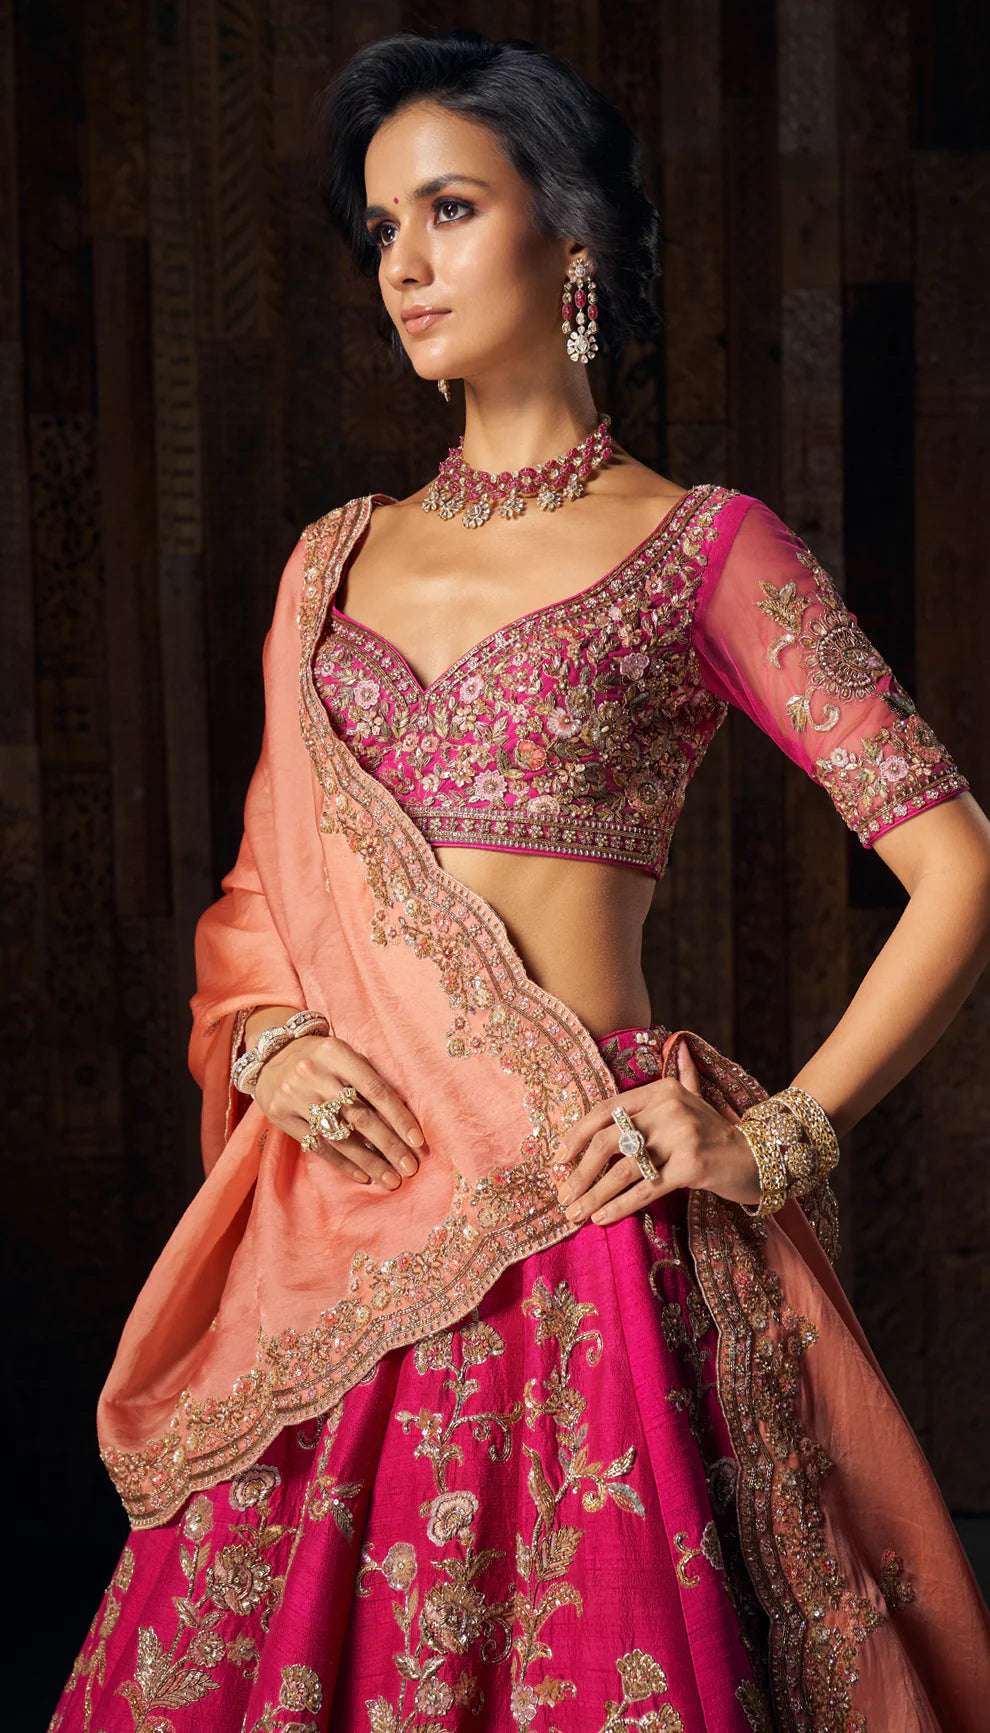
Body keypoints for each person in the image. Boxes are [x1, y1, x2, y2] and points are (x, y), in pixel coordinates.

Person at [50, 28, 990, 1733]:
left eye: (450, 209)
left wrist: (775, 1128)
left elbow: (953, 864)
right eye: (380, 228)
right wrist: (263, 1041)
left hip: (583, 1208)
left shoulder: (703, 545)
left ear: (571, 239)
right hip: (339, 1232)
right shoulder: (327, 561)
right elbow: (264, 900)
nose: (404, 264)